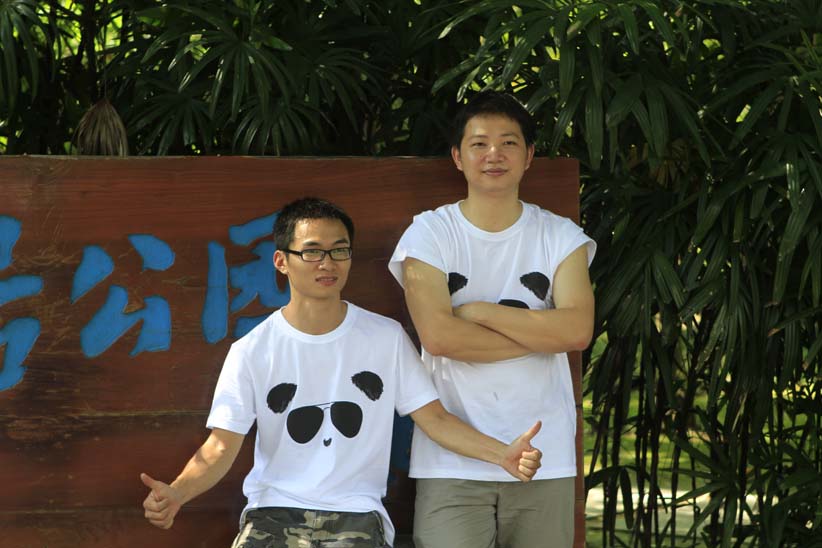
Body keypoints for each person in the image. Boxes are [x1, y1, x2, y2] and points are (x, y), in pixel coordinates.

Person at [140, 197, 543, 548]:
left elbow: (434, 419)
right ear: (281, 261)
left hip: (357, 515)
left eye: (339, 250)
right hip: (273, 511)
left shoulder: (385, 337)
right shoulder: (253, 350)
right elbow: (220, 446)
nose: (327, 263)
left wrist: (502, 454)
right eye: (312, 252)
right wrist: (177, 492)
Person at [388, 91, 596, 548]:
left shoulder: (560, 236)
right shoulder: (429, 233)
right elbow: (440, 337)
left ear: (529, 156)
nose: (494, 155)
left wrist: (479, 313)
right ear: (457, 157)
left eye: (509, 143)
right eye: (479, 144)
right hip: (451, 459)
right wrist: (544, 333)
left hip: (545, 455)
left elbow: (577, 331)